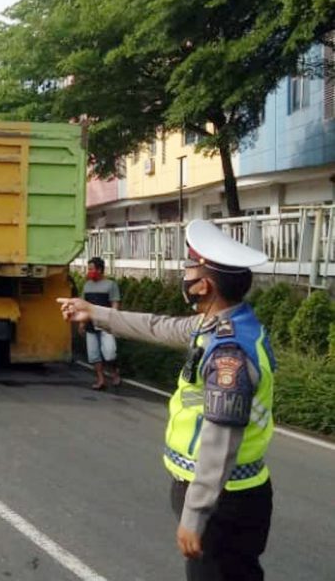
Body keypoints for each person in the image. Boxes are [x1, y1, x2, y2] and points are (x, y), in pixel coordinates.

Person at [58, 220, 275, 581]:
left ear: (204, 284)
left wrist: (196, 514)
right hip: (231, 495)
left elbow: (221, 441)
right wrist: (94, 312)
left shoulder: (229, 351)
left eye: (190, 268)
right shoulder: (223, 324)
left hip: (222, 500)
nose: (185, 276)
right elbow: (158, 326)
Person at [81, 256, 121, 389]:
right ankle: (100, 379)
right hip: (90, 325)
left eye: (92, 269)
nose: (89, 271)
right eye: (89, 269)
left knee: (110, 353)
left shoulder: (110, 284)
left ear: (99, 270)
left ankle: (115, 373)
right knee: (94, 355)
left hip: (106, 324)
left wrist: (113, 319)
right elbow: (83, 305)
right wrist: (82, 323)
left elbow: (114, 302)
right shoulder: (87, 285)